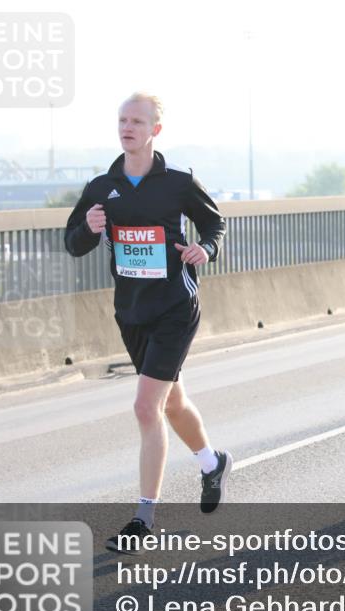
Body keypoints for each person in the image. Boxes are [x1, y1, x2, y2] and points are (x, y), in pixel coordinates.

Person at [65, 93, 231, 554]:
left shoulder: (178, 182)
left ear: (155, 130)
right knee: (172, 402)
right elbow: (73, 243)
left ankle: (144, 518)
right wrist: (90, 228)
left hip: (176, 307)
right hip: (131, 311)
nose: (128, 127)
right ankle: (211, 462)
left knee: (145, 407)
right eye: (122, 120)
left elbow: (215, 226)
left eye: (138, 121)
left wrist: (206, 250)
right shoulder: (102, 187)